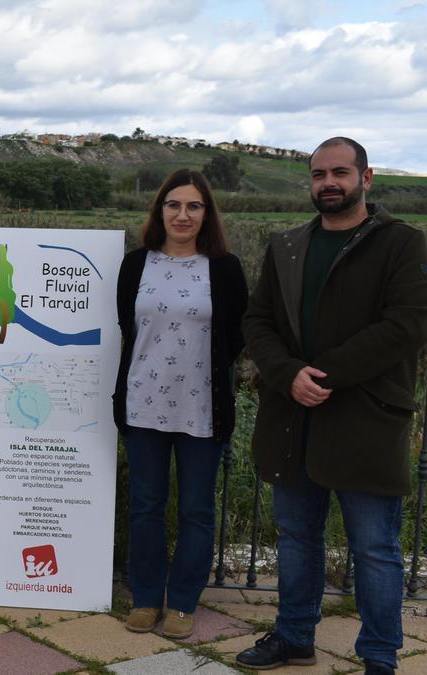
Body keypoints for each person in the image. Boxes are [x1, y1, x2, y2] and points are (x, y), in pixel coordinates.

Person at [236, 138, 427, 674]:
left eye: (340, 172)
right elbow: (258, 321)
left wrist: (323, 375)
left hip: (366, 418)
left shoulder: (403, 244)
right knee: (297, 538)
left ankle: (379, 657)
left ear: (366, 178)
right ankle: (294, 638)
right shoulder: (288, 245)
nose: (328, 183)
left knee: (375, 549)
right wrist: (287, 373)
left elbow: (407, 325)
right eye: (319, 174)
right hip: (292, 416)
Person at [112, 169, 247, 639]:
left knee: (196, 509)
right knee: (146, 506)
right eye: (173, 205)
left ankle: (185, 601)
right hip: (143, 404)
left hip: (201, 408)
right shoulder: (135, 265)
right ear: (160, 211)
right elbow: (130, 331)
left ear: (206, 214)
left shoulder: (224, 268)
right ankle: (147, 600)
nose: (182, 215)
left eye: (193, 206)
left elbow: (235, 338)